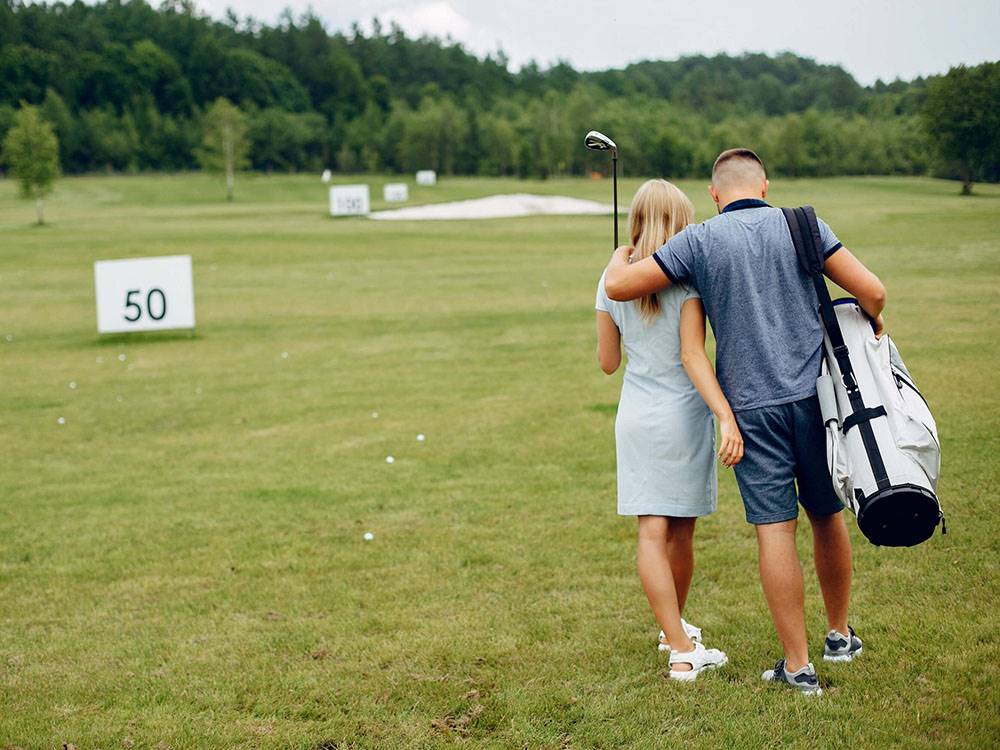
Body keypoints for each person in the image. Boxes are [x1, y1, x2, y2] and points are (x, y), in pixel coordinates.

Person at [604, 149, 884, 696]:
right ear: (765, 184)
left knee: (775, 529)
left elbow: (621, 287)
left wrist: (617, 258)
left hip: (751, 408)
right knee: (827, 516)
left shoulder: (700, 240)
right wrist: (874, 323)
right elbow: (871, 291)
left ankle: (799, 666)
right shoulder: (803, 223)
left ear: (714, 194)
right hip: (816, 396)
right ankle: (838, 635)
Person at [595, 179, 742, 681]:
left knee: (655, 530)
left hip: (636, 417)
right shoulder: (687, 281)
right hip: (683, 416)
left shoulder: (611, 278)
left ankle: (672, 631)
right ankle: (681, 648)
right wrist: (724, 412)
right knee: (676, 530)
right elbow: (692, 354)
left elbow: (608, 363)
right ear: (681, 223)